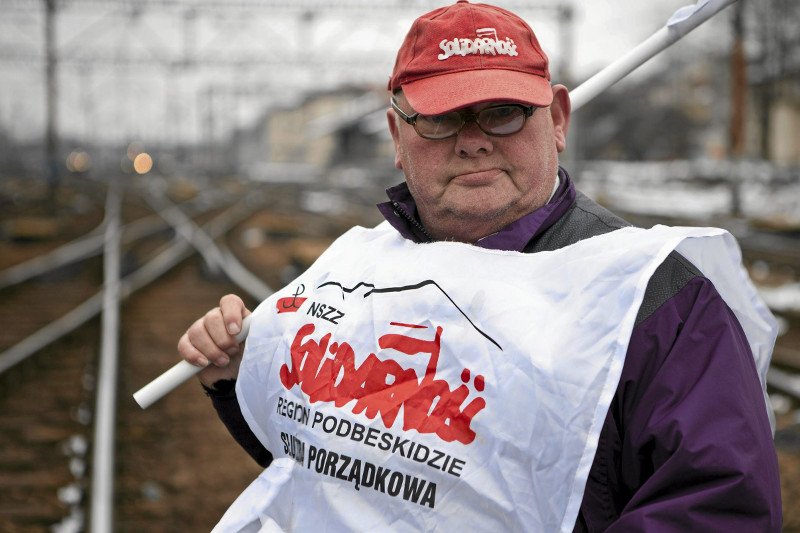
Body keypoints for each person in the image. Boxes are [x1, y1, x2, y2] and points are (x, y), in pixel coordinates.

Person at [178, 1, 782, 530]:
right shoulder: (360, 272)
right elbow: (334, 462)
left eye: (503, 111)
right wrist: (240, 378)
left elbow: (717, 507)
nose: (472, 140)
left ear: (558, 120)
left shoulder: (652, 299)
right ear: (397, 134)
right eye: (441, 118)